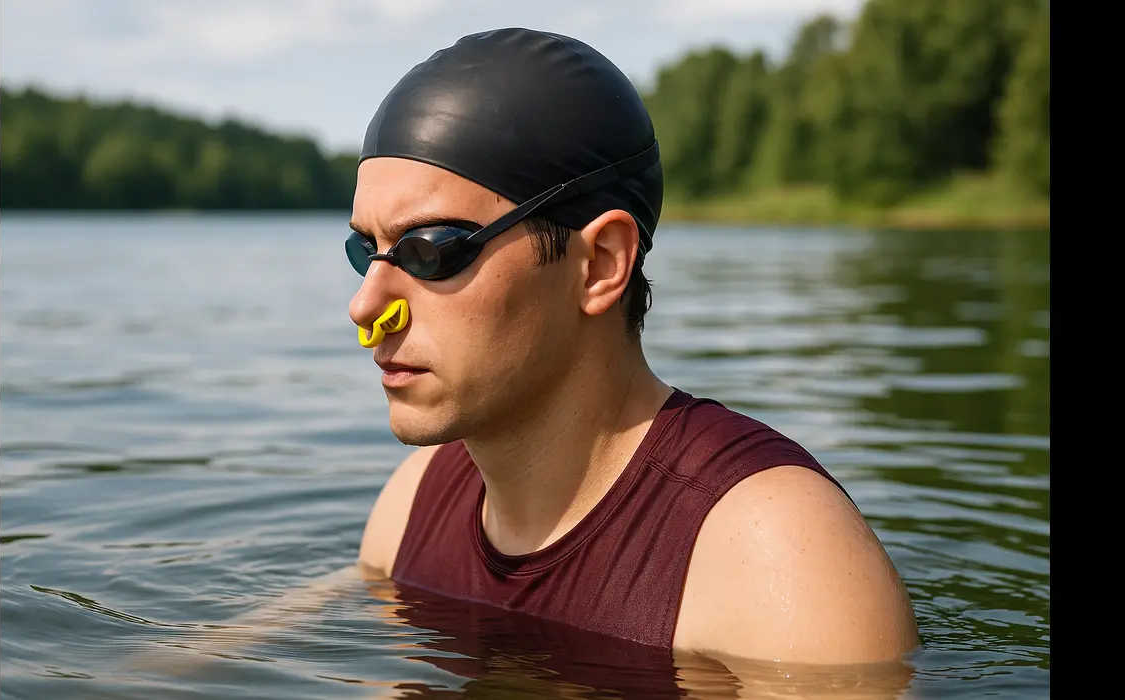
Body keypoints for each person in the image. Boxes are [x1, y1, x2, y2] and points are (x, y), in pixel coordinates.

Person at [349, 26, 920, 668]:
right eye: (365, 251)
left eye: (430, 251)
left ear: (599, 264)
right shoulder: (413, 506)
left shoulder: (773, 560)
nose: (366, 307)